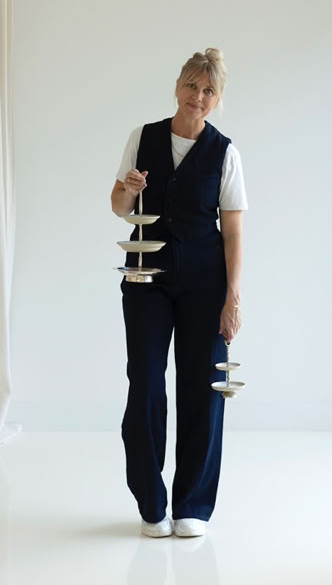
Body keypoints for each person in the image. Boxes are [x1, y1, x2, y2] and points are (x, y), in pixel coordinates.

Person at [111, 48, 248, 538]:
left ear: (217, 99)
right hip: (146, 278)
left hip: (206, 283)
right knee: (146, 384)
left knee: (203, 388)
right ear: (177, 86)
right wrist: (130, 188)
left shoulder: (225, 153)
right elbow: (118, 205)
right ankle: (151, 503)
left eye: (209, 90)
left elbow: (233, 232)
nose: (198, 96)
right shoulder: (142, 138)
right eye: (192, 85)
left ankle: (192, 504)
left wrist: (232, 297)